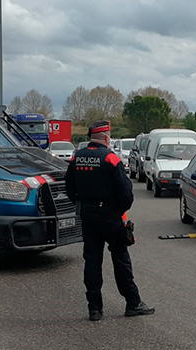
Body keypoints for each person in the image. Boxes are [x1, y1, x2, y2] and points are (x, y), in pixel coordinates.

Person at [65, 121, 155, 321]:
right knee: (121, 259)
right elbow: (126, 193)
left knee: (92, 260)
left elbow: (69, 187)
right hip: (110, 216)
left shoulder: (76, 158)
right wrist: (119, 210)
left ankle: (94, 309)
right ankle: (133, 303)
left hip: (88, 216)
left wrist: (83, 204)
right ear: (106, 137)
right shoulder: (111, 159)